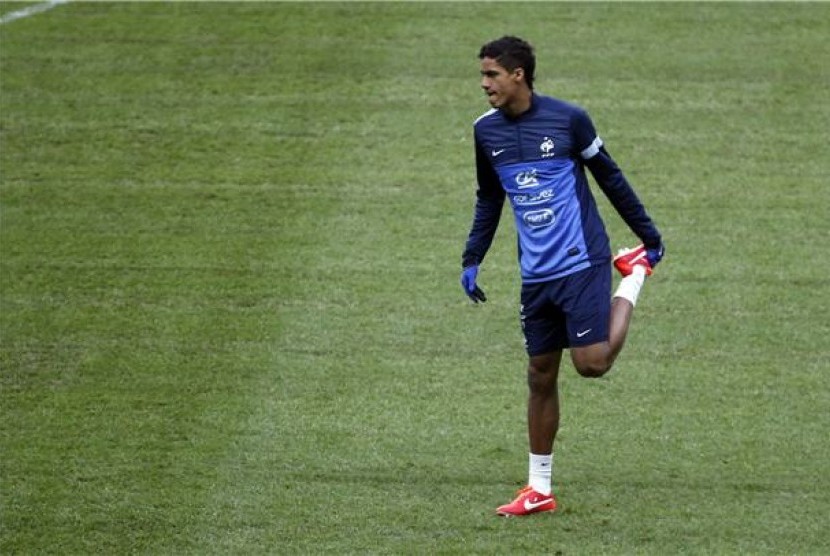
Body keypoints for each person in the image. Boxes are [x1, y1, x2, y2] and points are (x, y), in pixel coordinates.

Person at [460, 36, 665, 517]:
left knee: (591, 364)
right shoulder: (485, 132)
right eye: (482, 75)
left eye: (491, 74)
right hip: (536, 273)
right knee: (539, 374)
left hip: (582, 261)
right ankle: (539, 489)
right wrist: (472, 257)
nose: (484, 84)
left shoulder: (568, 120)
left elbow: (609, 177)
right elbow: (490, 197)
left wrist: (648, 236)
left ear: (518, 75)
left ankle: (631, 276)